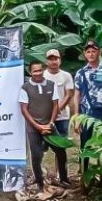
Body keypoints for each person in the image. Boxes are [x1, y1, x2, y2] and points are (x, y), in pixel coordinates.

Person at [19, 61, 69, 191]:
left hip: (49, 125)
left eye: (40, 70)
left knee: (61, 151)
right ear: (30, 72)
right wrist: (37, 126)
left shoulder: (51, 85)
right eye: (35, 71)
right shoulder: (25, 88)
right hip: (33, 127)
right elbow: (24, 109)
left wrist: (51, 123)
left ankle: (63, 179)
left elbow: (55, 105)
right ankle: (40, 183)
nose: (38, 73)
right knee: (36, 155)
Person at [73, 40, 102, 176]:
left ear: (99, 52)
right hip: (87, 113)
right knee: (85, 144)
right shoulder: (81, 73)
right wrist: (76, 118)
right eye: (88, 51)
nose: (91, 54)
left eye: (94, 51)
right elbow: (77, 96)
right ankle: (84, 172)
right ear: (84, 54)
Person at [43, 49, 74, 138]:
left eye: (56, 59)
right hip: (46, 116)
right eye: (51, 59)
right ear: (46, 61)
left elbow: (68, 95)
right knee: (45, 143)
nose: (53, 62)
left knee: (62, 141)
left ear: (60, 61)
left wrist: (57, 110)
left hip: (62, 115)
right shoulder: (42, 76)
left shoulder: (66, 76)